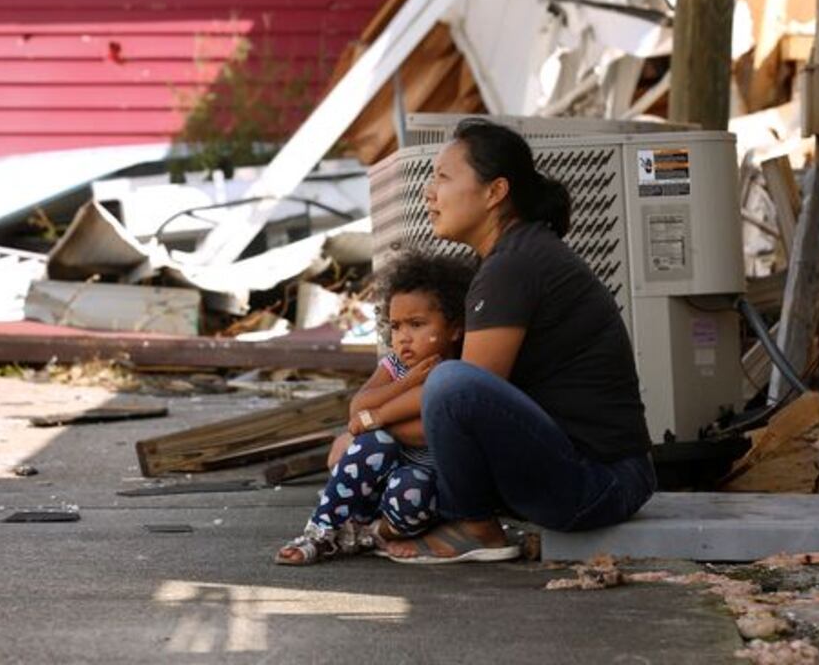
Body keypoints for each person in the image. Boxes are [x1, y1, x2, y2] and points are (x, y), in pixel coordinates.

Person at [384, 118, 656, 565]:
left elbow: (459, 408)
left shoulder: (515, 264)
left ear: (494, 193)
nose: (429, 192)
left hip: (600, 483)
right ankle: (469, 521)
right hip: (598, 476)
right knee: (447, 388)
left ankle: (475, 527)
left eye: (444, 177)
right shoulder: (514, 256)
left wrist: (371, 421)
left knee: (452, 383)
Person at [274, 251, 494, 565]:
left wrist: (376, 419)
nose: (404, 338)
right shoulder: (394, 366)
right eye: (396, 326)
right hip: (376, 482)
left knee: (410, 484)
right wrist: (407, 383)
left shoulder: (457, 373)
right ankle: (321, 531)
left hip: (424, 492)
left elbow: (423, 433)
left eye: (417, 325)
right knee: (374, 442)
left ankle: (371, 533)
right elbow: (358, 407)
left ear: (455, 329)